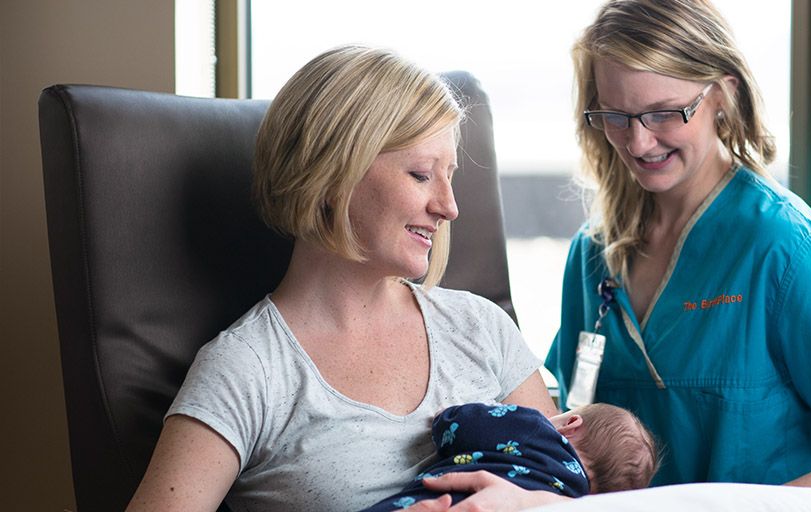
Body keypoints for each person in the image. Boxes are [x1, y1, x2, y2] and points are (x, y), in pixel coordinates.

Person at [127, 45, 565, 511]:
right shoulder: (249, 371)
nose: (449, 207)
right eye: (421, 174)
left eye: (449, 177)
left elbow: (580, 486)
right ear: (334, 175)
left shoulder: (482, 328)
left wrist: (532, 503)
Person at [545, 0, 811, 505]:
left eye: (664, 113)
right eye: (616, 115)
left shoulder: (784, 249)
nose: (638, 142)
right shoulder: (592, 255)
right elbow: (574, 432)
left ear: (723, 94)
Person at [362, 402, 659, 511]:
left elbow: (462, 426)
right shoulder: (569, 499)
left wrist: (447, 415)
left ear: (571, 424)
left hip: (440, 499)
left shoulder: (535, 428)